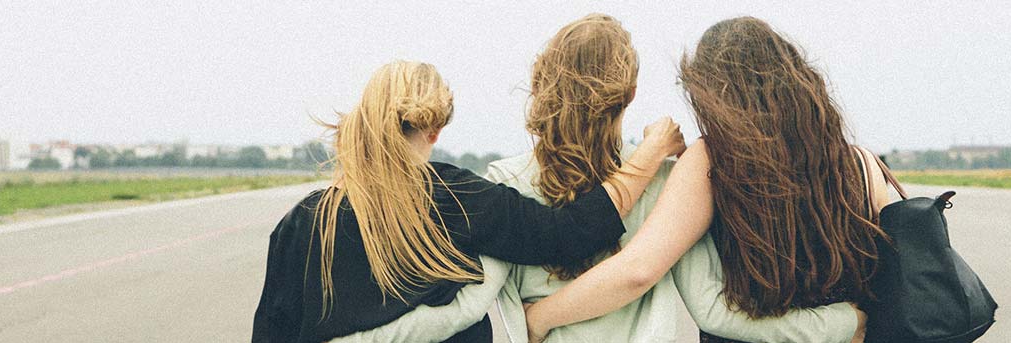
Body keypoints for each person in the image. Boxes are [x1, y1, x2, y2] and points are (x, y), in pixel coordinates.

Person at [330, 15, 857, 343]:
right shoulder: (672, 183)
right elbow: (712, 308)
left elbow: (466, 308)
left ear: (540, 83)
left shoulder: (503, 182)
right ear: (628, 96)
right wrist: (845, 324)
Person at [250, 60, 685, 342]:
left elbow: (270, 334)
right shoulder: (459, 198)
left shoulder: (301, 225)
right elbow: (568, 234)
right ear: (435, 130)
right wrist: (649, 154)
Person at [519, 17, 887, 343]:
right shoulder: (863, 163)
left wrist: (541, 317)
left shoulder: (711, 161)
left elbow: (638, 270)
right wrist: (849, 324)